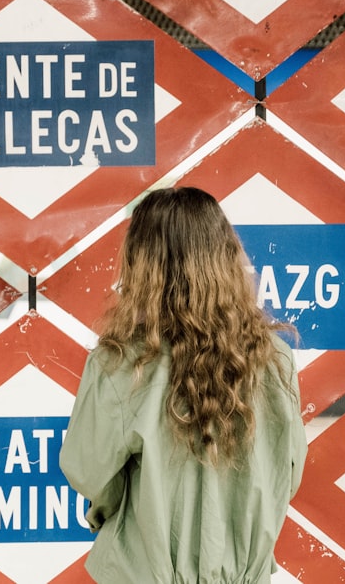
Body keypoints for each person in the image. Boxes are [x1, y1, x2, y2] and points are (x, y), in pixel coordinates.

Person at [60, 186, 308, 584]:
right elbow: (286, 475)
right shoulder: (275, 360)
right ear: (225, 257)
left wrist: (117, 509)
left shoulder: (121, 363)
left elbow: (88, 473)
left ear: (140, 266)